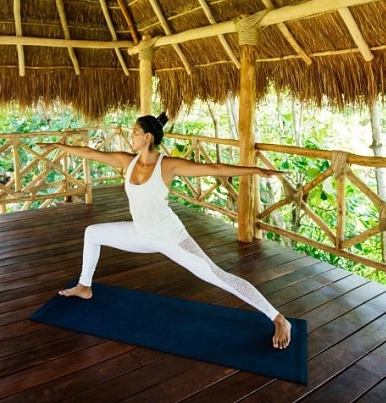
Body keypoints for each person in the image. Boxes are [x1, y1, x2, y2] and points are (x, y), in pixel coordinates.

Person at [37, 112, 292, 349]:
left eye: (135, 132)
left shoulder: (168, 166)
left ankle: (278, 317)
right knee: (93, 233)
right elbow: (90, 153)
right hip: (141, 234)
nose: (131, 136)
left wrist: (256, 170)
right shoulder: (127, 161)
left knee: (217, 275)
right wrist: (60, 147)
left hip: (172, 239)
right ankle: (84, 286)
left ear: (148, 137)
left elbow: (215, 168)